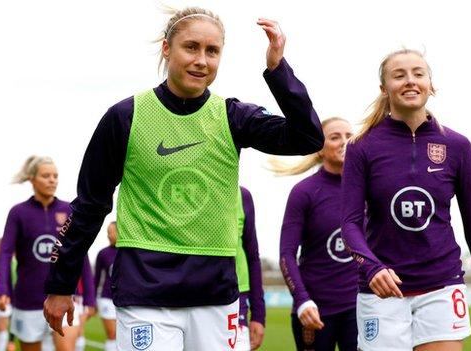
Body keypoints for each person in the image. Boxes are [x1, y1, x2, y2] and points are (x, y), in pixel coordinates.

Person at [43, 6, 323, 350]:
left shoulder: (232, 116)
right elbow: (89, 205)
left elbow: (308, 138)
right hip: (144, 290)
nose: (202, 60)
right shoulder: (125, 117)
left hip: (216, 293)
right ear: (166, 48)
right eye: (191, 47)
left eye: (212, 51)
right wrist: (61, 283)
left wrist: (278, 69)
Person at [341, 49, 471, 351]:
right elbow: (350, 224)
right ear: (384, 89)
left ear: (430, 84)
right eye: (399, 75)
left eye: (418, 74)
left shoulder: (458, 146)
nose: (410, 81)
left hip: (442, 287)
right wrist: (372, 267)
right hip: (382, 293)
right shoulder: (361, 146)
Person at [274, 117, 358, 351]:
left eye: (349, 136)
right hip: (315, 311)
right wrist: (302, 301)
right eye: (334, 137)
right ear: (319, 148)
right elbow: (287, 254)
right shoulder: (304, 193)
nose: (344, 142)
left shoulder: (367, 188)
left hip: (361, 308)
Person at [0, 156, 82, 351]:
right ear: (32, 179)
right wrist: (3, 290)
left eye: (55, 176)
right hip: (28, 300)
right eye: (46, 176)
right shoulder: (18, 213)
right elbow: (5, 253)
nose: (52, 180)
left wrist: (90, 297)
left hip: (63, 295)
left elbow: (80, 254)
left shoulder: (69, 210)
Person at [234, 187, 265, 351]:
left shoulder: (242, 196)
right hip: (182, 296)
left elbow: (252, 256)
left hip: (236, 298)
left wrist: (259, 315)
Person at [93, 222, 118, 351]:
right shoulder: (103, 253)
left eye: (111, 231)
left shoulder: (129, 253)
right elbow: (96, 278)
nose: (109, 235)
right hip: (106, 299)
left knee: (122, 336)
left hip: (124, 301)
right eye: (108, 232)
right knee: (113, 334)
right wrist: (92, 301)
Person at [0, 238, 17, 351]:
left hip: (7, 297)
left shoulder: (10, 261)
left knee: (4, 327)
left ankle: (8, 344)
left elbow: (11, 279)